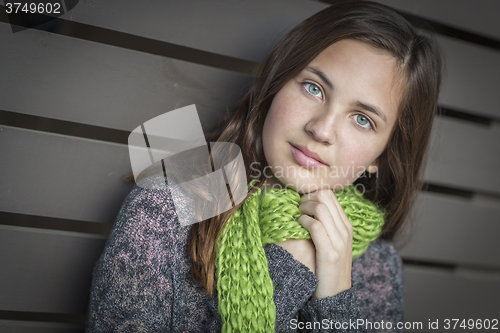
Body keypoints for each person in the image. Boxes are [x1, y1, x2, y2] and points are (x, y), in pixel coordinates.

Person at [86, 1, 442, 332]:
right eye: (313, 88)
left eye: (362, 119)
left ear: (381, 156)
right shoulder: (163, 214)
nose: (321, 129)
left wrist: (335, 295)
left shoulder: (378, 265)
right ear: (276, 84)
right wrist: (288, 273)